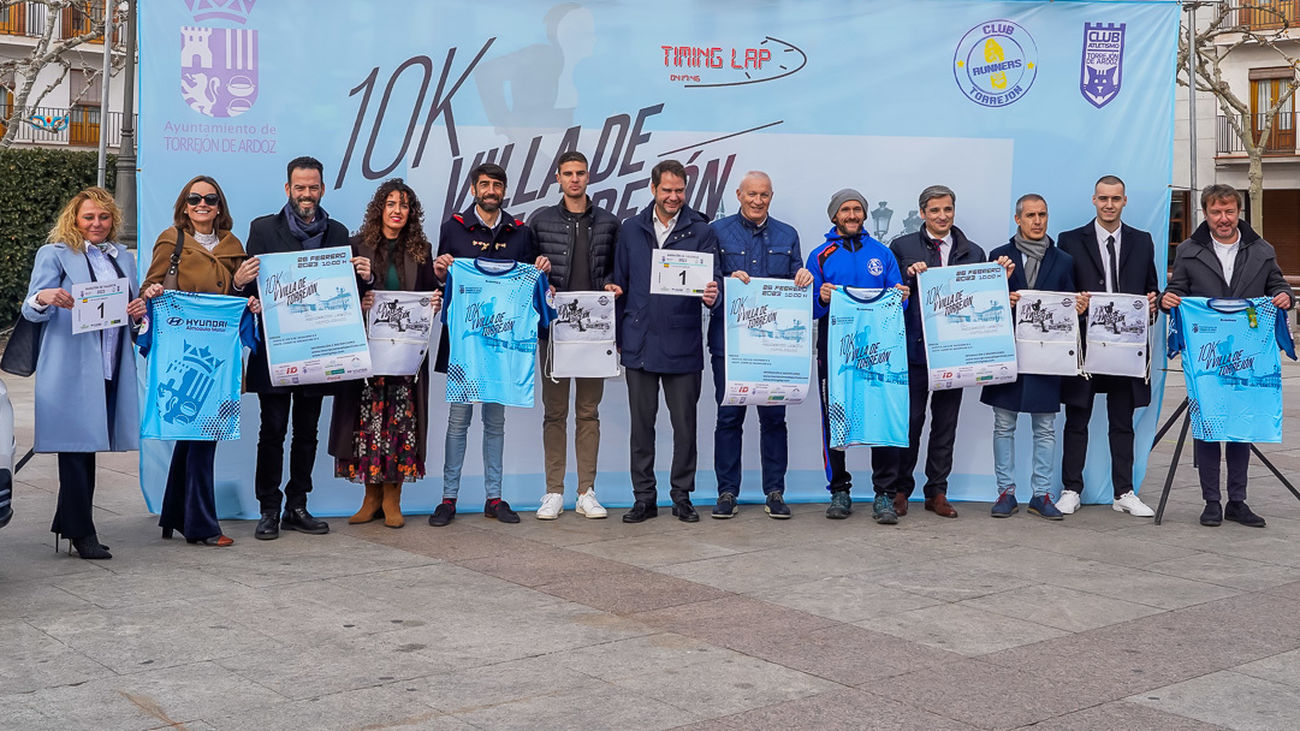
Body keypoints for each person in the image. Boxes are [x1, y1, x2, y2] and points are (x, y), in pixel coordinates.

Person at [237, 156, 370, 540]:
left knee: (308, 431)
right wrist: (242, 287)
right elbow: (250, 288)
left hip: (319, 351)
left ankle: (297, 505)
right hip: (277, 350)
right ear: (287, 189)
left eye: (313, 187)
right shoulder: (262, 229)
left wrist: (366, 277)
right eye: (300, 187)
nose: (306, 194)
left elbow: (347, 297)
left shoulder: (339, 233)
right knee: (272, 430)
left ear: (322, 189)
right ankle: (268, 509)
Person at [21, 187, 147, 559]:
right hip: (70, 367)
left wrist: (139, 311)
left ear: (113, 220)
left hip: (109, 363)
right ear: (74, 220)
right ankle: (82, 532)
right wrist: (43, 298)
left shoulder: (123, 258)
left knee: (87, 445)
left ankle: (68, 522)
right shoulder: (55, 254)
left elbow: (132, 314)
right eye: (89, 217)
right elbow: (31, 308)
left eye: (103, 217)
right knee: (76, 449)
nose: (96, 223)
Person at [1161, 183, 1294, 528]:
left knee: (1241, 426)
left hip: (1248, 354)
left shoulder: (1261, 249)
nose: (1224, 219)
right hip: (1207, 357)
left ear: (1239, 213)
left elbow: (1277, 284)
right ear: (1205, 214)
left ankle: (1238, 501)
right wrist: (1168, 300)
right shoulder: (1189, 250)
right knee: (1207, 427)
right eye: (1216, 212)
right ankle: (1211, 502)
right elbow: (1177, 290)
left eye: (1229, 211)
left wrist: (1283, 297)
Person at [429, 162, 550, 527]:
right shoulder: (454, 227)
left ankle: (493, 498)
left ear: (504, 190)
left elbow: (530, 285)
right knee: (457, 421)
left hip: (503, 343)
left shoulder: (521, 231)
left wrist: (541, 272)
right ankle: (448, 499)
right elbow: (442, 280)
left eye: (497, 185)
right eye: (484, 185)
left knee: (496, 422)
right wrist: (439, 271)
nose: (491, 190)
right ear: (473, 189)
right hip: (466, 344)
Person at [141, 175, 260, 547]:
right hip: (183, 354)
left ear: (220, 206)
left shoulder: (233, 245)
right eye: (194, 199)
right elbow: (149, 287)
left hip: (218, 357)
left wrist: (242, 289)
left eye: (209, 199)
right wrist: (154, 290)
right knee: (199, 436)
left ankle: (175, 514)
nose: (202, 204)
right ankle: (201, 526)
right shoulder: (170, 240)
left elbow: (238, 297)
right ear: (184, 205)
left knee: (198, 437)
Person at [882, 185, 1013, 520]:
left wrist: (1000, 278)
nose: (942, 216)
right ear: (923, 212)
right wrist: (908, 280)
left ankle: (937, 491)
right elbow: (890, 298)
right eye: (935, 210)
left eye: (948, 210)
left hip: (957, 353)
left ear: (954, 211)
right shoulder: (902, 246)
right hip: (915, 350)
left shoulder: (973, 250)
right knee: (909, 424)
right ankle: (900, 490)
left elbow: (983, 299)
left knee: (945, 425)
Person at [611, 159, 722, 524]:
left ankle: (681, 496)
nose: (674, 197)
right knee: (642, 427)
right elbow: (620, 282)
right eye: (667, 190)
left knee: (685, 426)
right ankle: (644, 498)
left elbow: (714, 283)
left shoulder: (701, 230)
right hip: (639, 341)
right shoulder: (630, 229)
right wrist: (617, 320)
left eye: (680, 190)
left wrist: (712, 295)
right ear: (653, 189)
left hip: (683, 341)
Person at [328, 179, 440, 529]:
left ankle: (393, 498)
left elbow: (428, 295)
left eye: (404, 205)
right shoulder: (355, 246)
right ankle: (371, 497)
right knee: (367, 424)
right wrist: (358, 297)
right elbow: (338, 295)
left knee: (401, 425)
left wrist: (434, 301)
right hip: (366, 353)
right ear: (380, 208)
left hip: (404, 356)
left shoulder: (422, 249)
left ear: (411, 213)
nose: (397, 210)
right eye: (391, 204)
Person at [708, 171, 812, 520]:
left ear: (771, 196)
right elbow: (706, 288)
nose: (757, 200)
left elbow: (798, 284)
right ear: (738, 194)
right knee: (728, 418)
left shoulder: (788, 235)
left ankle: (775, 492)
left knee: (774, 420)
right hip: (730, 344)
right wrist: (724, 284)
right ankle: (726, 492)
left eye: (764, 195)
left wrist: (803, 277)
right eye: (751, 194)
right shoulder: (717, 232)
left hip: (773, 349)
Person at [1057, 175, 1159, 518]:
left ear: (1125, 201)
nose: (1109, 204)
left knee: (1122, 422)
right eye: (1103, 198)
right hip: (1085, 346)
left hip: (1127, 348)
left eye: (1115, 199)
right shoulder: (1069, 240)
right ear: (1094, 200)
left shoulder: (1143, 242)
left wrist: (1152, 306)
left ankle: (1124, 492)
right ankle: (1071, 488)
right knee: (1077, 420)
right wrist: (1075, 304)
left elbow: (1151, 289)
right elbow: (1063, 294)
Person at [528, 151, 618, 520]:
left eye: (580, 173)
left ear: (588, 176)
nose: (575, 179)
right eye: (568, 174)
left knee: (588, 412)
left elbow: (617, 269)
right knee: (555, 412)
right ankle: (552, 492)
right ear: (558, 178)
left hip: (596, 333)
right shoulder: (540, 221)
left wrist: (615, 284)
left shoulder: (610, 223)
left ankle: (586, 492)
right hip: (554, 332)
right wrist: (538, 271)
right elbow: (526, 276)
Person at [806, 188, 905, 523]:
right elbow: (810, 308)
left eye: (857, 209)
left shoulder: (883, 253)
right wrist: (820, 297)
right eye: (845, 210)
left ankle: (884, 495)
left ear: (864, 215)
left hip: (880, 351)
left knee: (883, 413)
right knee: (835, 415)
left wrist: (902, 296)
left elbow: (898, 302)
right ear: (834, 215)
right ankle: (839, 490)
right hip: (834, 352)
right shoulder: (820, 255)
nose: (852, 215)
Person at [980, 194, 1081, 520]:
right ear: (1017, 219)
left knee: (1046, 427)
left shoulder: (1064, 260)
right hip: (1007, 352)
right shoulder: (999, 257)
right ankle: (1005, 492)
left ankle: (1041, 494)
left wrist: (1078, 308)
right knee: (1003, 424)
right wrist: (1001, 297)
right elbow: (982, 305)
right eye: (1031, 216)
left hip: (1046, 356)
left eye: (1042, 215)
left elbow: (1068, 307)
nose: (1037, 221)